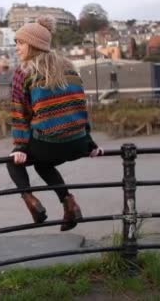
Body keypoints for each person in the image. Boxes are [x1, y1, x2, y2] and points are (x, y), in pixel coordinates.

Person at [7, 15, 103, 231]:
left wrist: (20, 147)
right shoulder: (69, 67)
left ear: (33, 45)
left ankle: (31, 201)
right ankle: (69, 203)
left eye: (20, 42)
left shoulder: (24, 72)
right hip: (78, 144)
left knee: (13, 163)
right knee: (43, 164)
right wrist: (90, 142)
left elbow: (19, 113)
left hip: (50, 143)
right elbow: (79, 106)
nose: (17, 48)